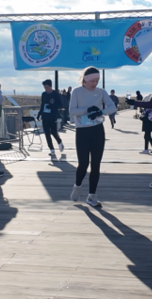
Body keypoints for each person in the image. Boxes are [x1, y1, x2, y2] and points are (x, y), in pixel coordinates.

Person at [68, 67, 117, 207]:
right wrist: (87, 110)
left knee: (96, 165)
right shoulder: (77, 92)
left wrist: (100, 111)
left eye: (97, 81)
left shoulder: (101, 92)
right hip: (82, 132)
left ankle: (92, 196)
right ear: (85, 79)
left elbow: (112, 107)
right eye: (92, 81)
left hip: (97, 130)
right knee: (83, 164)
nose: (94, 84)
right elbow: (72, 111)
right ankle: (77, 186)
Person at [37, 79, 64, 156]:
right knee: (47, 133)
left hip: (52, 116)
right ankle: (51, 149)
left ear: (50, 86)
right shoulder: (44, 94)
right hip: (45, 116)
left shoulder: (55, 94)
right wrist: (40, 113)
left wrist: (52, 106)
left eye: (47, 87)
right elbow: (42, 105)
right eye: (45, 87)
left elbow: (60, 105)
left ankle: (59, 142)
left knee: (53, 132)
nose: (46, 89)